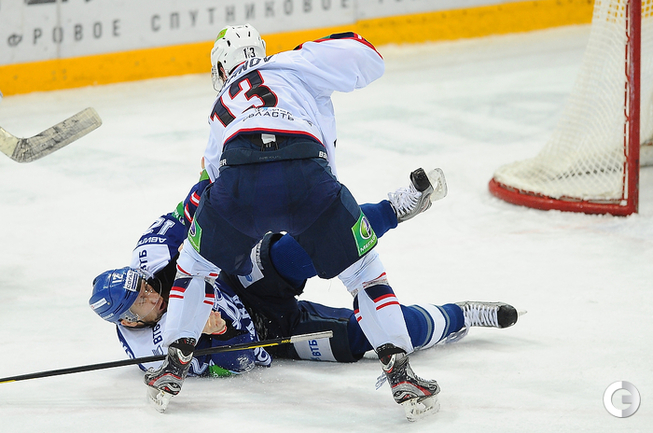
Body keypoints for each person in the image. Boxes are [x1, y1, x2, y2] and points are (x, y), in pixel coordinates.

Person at [146, 23, 465, 420]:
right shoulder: (293, 64)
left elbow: (209, 183)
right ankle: (400, 373)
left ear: (222, 68)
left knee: (195, 269)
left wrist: (202, 232)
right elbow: (368, 57)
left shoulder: (221, 105)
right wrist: (310, 53)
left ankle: (173, 363)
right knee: (365, 274)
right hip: (306, 174)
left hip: (239, 180)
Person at [90, 168, 519, 408]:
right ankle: (462, 313)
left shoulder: (149, 253)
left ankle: (395, 207)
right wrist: (223, 334)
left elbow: (190, 209)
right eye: (142, 301)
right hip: (271, 332)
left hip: (239, 277)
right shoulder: (152, 350)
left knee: (301, 249)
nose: (151, 293)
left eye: (144, 286)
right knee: (366, 336)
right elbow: (239, 362)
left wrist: (207, 189)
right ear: (129, 321)